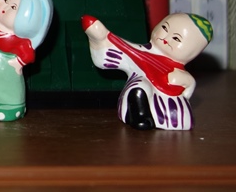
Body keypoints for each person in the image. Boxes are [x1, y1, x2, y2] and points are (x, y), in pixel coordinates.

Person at [82, 12, 212, 130]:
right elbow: (120, 49)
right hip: (141, 94)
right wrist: (102, 38)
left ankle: (165, 120)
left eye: (176, 39)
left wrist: (184, 80)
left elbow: (188, 90)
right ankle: (139, 116)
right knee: (140, 86)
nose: (166, 38)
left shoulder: (180, 70)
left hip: (172, 107)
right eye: (164, 28)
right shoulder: (141, 51)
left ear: (193, 52)